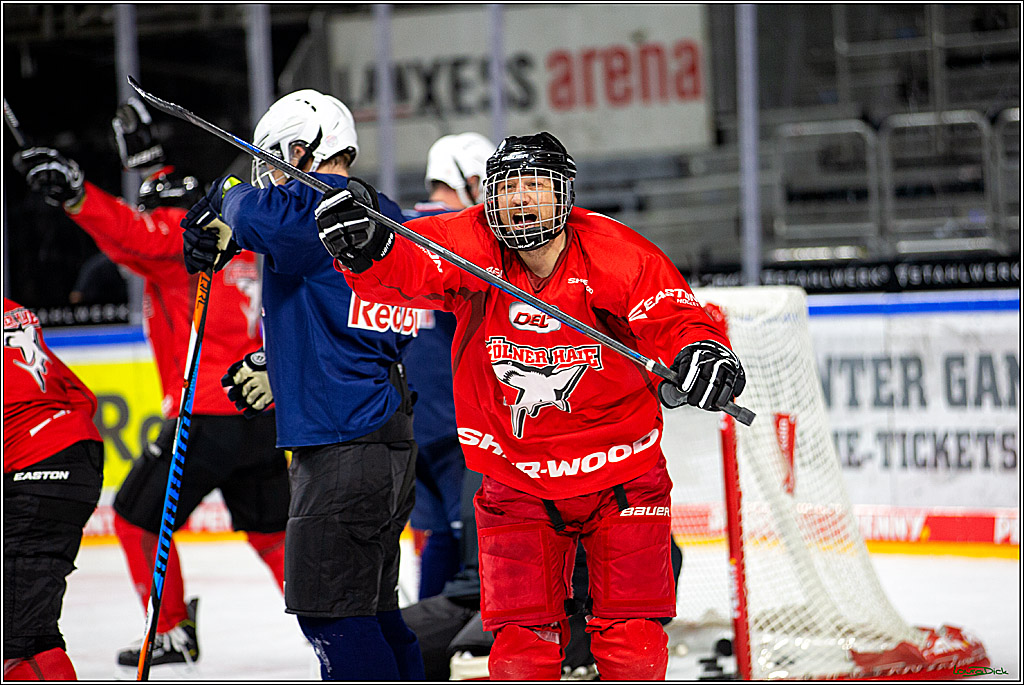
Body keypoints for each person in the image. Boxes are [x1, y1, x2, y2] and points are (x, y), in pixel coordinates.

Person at [314, 131, 746, 680]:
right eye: (508, 187)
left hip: (621, 475)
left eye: (535, 185)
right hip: (515, 479)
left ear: (564, 193)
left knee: (632, 641)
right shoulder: (470, 240)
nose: (520, 198)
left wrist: (703, 351)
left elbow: (675, 318)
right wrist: (367, 247)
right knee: (520, 645)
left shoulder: (617, 252)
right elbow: (406, 263)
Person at [11, 96, 289, 674]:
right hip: (258, 410)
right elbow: (170, 205)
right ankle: (333, 620)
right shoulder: (230, 240)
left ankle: (170, 631)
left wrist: (78, 197)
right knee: (271, 532)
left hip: (204, 414)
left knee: (135, 519)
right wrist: (150, 163)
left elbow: (137, 234)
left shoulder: (178, 247)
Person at [179, 88, 425, 682]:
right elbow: (351, 318)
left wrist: (225, 195)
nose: (266, 180)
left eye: (270, 163)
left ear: (298, 151)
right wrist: (279, 365)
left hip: (343, 447)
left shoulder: (320, 207)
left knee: (331, 617)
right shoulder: (380, 215)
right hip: (380, 439)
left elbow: (254, 216)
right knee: (375, 613)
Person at [402, 132, 494, 600]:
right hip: (459, 414)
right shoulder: (466, 236)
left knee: (438, 533)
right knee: (474, 545)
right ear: (471, 180)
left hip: (403, 416)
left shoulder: (393, 228)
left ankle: (424, 637)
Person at [3, 298, 105, 680]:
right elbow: (83, 397)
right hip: (72, 452)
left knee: (19, 641)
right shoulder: (11, 310)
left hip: (36, 468)